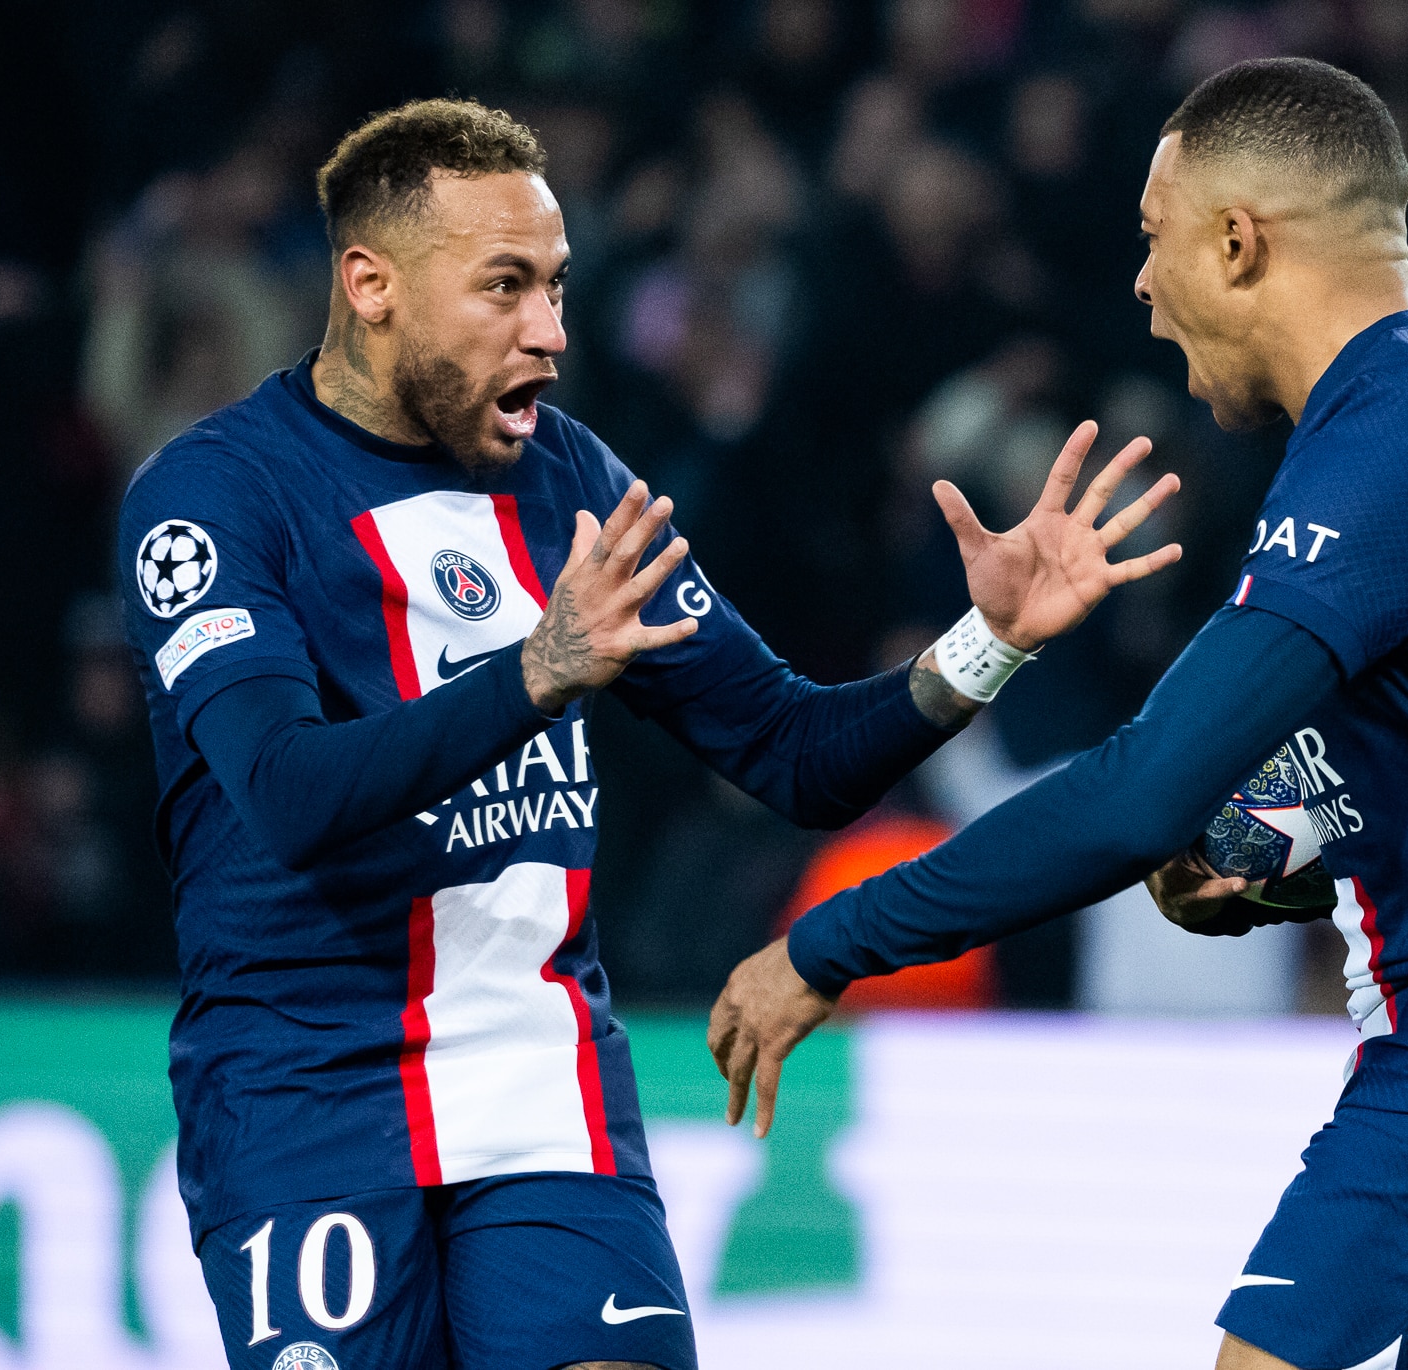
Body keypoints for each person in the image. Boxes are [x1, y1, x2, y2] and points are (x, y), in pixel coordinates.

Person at [118, 99, 1180, 1370]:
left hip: (542, 1081)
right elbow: (286, 792)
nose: (549, 333)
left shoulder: (568, 480)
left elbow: (790, 752)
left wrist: (985, 641)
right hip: (309, 1091)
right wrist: (537, 671)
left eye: (557, 287)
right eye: (503, 288)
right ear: (371, 285)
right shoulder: (214, 496)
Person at [710, 58, 1408, 1370]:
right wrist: (1253, 851)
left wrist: (829, 942)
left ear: (1239, 242)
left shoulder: (1393, 438)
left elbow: (1140, 790)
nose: (1140, 285)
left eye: (1155, 240)